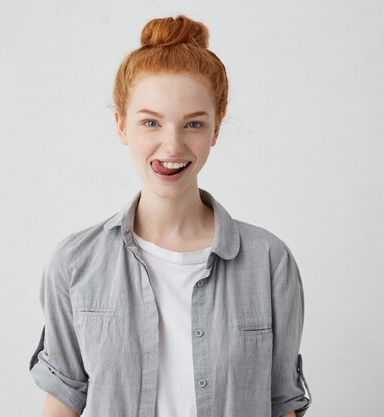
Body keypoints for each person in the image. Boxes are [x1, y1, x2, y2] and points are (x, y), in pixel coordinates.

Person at [29, 14, 312, 417]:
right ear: (121, 125)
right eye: (151, 122)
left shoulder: (269, 261)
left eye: (193, 123)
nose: (172, 145)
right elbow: (63, 399)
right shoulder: (74, 263)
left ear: (215, 130)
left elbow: (283, 402)